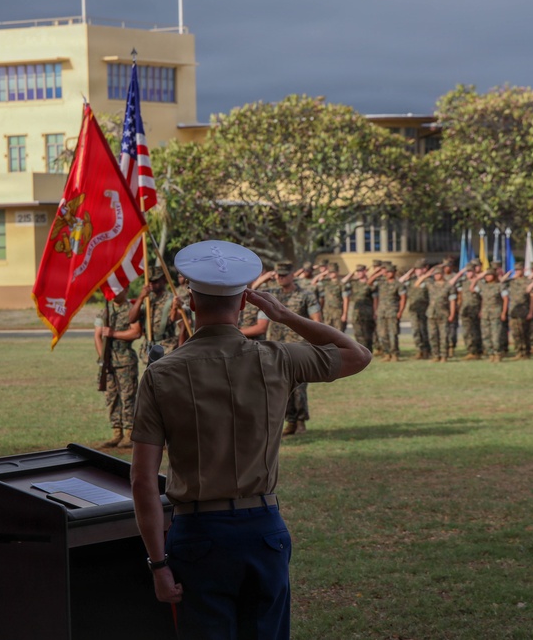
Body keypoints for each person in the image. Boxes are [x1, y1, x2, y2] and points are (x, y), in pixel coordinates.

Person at [130, 240, 371, 640]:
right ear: (244, 303)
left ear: (191, 300)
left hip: (198, 532)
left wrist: (158, 565)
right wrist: (283, 314)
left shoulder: (162, 374)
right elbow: (356, 354)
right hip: (263, 528)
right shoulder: (278, 358)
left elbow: (142, 480)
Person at [255, 261, 323, 436]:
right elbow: (250, 294)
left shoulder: (306, 295)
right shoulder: (271, 294)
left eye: (284, 275)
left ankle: (300, 421)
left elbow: (317, 321)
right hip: (276, 347)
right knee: (280, 388)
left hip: (299, 347)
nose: (280, 278)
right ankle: (289, 421)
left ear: (293, 275)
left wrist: (314, 344)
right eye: (278, 274)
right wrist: (263, 279)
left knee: (299, 387)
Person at [94, 292, 142, 447]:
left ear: (126, 288)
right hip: (108, 363)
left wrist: (113, 333)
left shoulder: (131, 309)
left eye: (119, 288)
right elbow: (97, 336)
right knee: (111, 397)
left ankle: (130, 433)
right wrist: (103, 359)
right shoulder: (105, 311)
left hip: (125, 360)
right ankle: (116, 432)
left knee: (128, 397)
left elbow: (136, 332)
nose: (115, 292)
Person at [129, 267, 181, 360]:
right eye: (150, 281)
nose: (152, 284)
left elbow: (178, 320)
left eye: (155, 281)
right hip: (150, 347)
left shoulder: (172, 299)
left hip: (167, 347)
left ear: (164, 280)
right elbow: (131, 319)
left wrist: (175, 308)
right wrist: (141, 297)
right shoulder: (146, 299)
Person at [415, 266, 456, 362]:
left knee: (444, 336)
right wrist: (426, 275)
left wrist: (452, 314)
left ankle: (444, 356)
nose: (437, 276)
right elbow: (417, 284)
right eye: (435, 274)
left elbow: (452, 301)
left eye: (438, 274)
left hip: (443, 313)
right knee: (432, 335)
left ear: (442, 274)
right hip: (431, 313)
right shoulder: (431, 284)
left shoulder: (448, 286)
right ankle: (435, 355)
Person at [369, 262, 406, 361]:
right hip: (381, 312)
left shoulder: (398, 284)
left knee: (393, 334)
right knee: (382, 334)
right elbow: (369, 283)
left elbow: (403, 298)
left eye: (390, 272)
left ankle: (394, 354)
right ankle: (386, 353)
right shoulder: (382, 282)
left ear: (394, 272)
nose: (388, 274)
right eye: (387, 272)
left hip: (392, 311)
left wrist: (400, 311)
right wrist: (378, 273)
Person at [472, 268, 508, 362]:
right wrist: (478, 277)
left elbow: (505, 299)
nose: (487, 277)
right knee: (485, 336)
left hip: (496, 313)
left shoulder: (500, 286)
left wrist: (504, 312)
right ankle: (490, 354)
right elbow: (471, 288)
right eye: (486, 276)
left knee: (496, 335)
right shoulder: (483, 286)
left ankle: (497, 354)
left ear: (494, 276)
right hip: (485, 313)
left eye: (489, 275)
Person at [342, 264, 375, 351]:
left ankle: (368, 351)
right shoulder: (354, 283)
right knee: (357, 333)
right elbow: (342, 282)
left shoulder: (371, 283)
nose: (359, 273)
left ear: (365, 271)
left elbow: (376, 299)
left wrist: (375, 312)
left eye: (361, 271)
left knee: (368, 333)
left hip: (368, 312)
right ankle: (361, 351)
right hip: (356, 312)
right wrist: (352, 273)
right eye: (358, 271)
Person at [402, 260, 432, 359]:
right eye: (416, 269)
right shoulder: (411, 280)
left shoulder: (429, 281)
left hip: (425, 310)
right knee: (416, 331)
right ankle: (419, 351)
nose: (417, 271)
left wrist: (424, 276)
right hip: (414, 310)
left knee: (425, 330)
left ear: (425, 269)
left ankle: (427, 351)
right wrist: (410, 271)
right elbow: (400, 281)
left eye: (420, 269)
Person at [504, 262, 532, 360]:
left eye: (519, 270)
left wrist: (531, 311)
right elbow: (502, 281)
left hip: (524, 310)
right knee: (515, 333)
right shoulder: (512, 281)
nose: (518, 272)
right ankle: (518, 352)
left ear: (523, 270)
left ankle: (526, 352)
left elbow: (532, 296)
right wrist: (509, 274)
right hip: (514, 310)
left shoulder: (527, 281)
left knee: (524, 332)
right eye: (516, 270)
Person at [457, 261, 483, 360]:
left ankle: (477, 351)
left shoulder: (479, 283)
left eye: (470, 271)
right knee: (467, 332)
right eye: (467, 272)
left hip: (476, 309)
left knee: (475, 331)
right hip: (465, 310)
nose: (469, 274)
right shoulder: (464, 282)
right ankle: (471, 351)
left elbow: (483, 297)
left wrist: (481, 310)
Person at [313, 262, 346, 331]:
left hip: (338, 311)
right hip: (327, 312)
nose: (331, 274)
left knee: (338, 332)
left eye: (333, 272)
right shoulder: (326, 282)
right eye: (330, 272)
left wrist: (345, 313)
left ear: (337, 272)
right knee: (327, 332)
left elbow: (346, 299)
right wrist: (323, 273)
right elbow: (313, 282)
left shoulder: (341, 284)